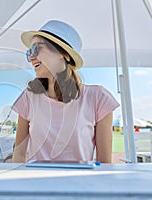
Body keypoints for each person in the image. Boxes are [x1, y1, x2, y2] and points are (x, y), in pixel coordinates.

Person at [12, 20, 119, 163]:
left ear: (64, 55)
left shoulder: (98, 98)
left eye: (36, 49)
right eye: (29, 52)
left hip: (82, 184)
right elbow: (18, 156)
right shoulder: (28, 98)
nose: (31, 57)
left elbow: (105, 163)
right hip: (37, 184)